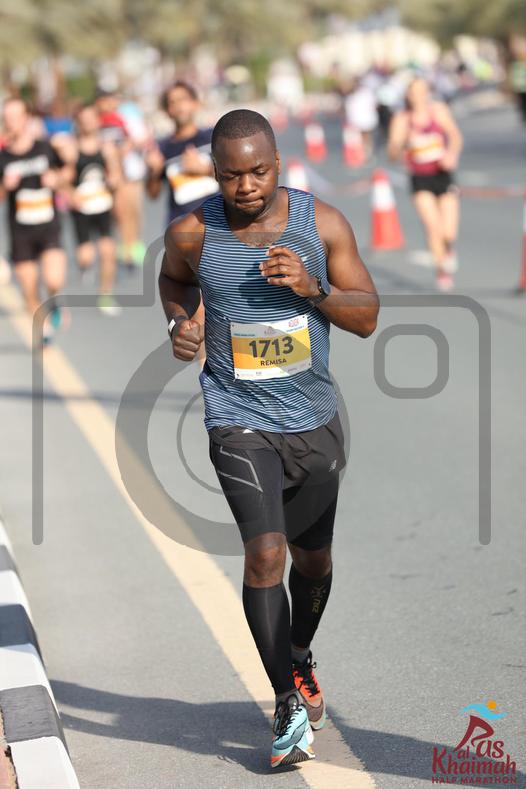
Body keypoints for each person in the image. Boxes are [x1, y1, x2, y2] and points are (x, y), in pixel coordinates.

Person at [158, 109, 379, 768]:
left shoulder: (323, 224)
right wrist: (180, 324)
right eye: (232, 175)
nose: (247, 186)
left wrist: (313, 287)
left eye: (258, 171)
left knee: (314, 561)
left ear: (278, 163)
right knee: (265, 556)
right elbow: (173, 280)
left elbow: (367, 316)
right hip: (237, 418)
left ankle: (299, 654)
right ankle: (285, 701)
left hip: (313, 421)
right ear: (214, 173)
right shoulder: (193, 233)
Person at [147, 80, 218, 363]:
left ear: (195, 103)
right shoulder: (163, 148)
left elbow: (235, 175)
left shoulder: (212, 137)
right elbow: (153, 193)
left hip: (219, 228)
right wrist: (153, 171)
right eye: (172, 102)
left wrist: (204, 168)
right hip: (185, 236)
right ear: (167, 110)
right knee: (197, 311)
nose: (178, 107)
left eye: (183, 100)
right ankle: (207, 372)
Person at [0, 97, 70, 343]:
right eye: (7, 117)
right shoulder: (3, 156)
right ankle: (45, 330)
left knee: (53, 279)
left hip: (48, 226)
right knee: (28, 287)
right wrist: (5, 186)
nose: (11, 122)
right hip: (20, 231)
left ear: (26, 118)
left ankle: (54, 303)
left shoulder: (45, 148)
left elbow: (67, 172)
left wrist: (56, 180)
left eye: (16, 116)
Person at [388, 77, 463, 291]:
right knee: (433, 226)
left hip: (443, 173)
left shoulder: (438, 110)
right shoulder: (402, 119)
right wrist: (403, 142)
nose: (418, 96)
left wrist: (451, 155)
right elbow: (392, 154)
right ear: (408, 95)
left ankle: (448, 248)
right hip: (419, 177)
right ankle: (441, 271)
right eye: (414, 92)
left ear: (428, 92)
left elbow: (455, 136)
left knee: (449, 231)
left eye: (422, 91)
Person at [66, 103, 121, 316]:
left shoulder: (107, 147)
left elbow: (116, 175)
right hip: (82, 209)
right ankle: (85, 266)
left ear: (98, 120)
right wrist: (71, 194)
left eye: (91, 118)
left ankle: (106, 294)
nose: (88, 123)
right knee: (86, 256)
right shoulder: (71, 149)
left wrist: (113, 181)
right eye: (84, 119)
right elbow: (63, 181)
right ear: (78, 123)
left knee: (108, 251)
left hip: (102, 205)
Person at [95, 89, 146, 268]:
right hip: (113, 175)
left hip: (132, 172)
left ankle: (134, 241)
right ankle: (126, 246)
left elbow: (140, 138)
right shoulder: (96, 121)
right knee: (121, 212)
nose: (107, 104)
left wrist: (127, 146)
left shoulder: (125, 117)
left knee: (134, 210)